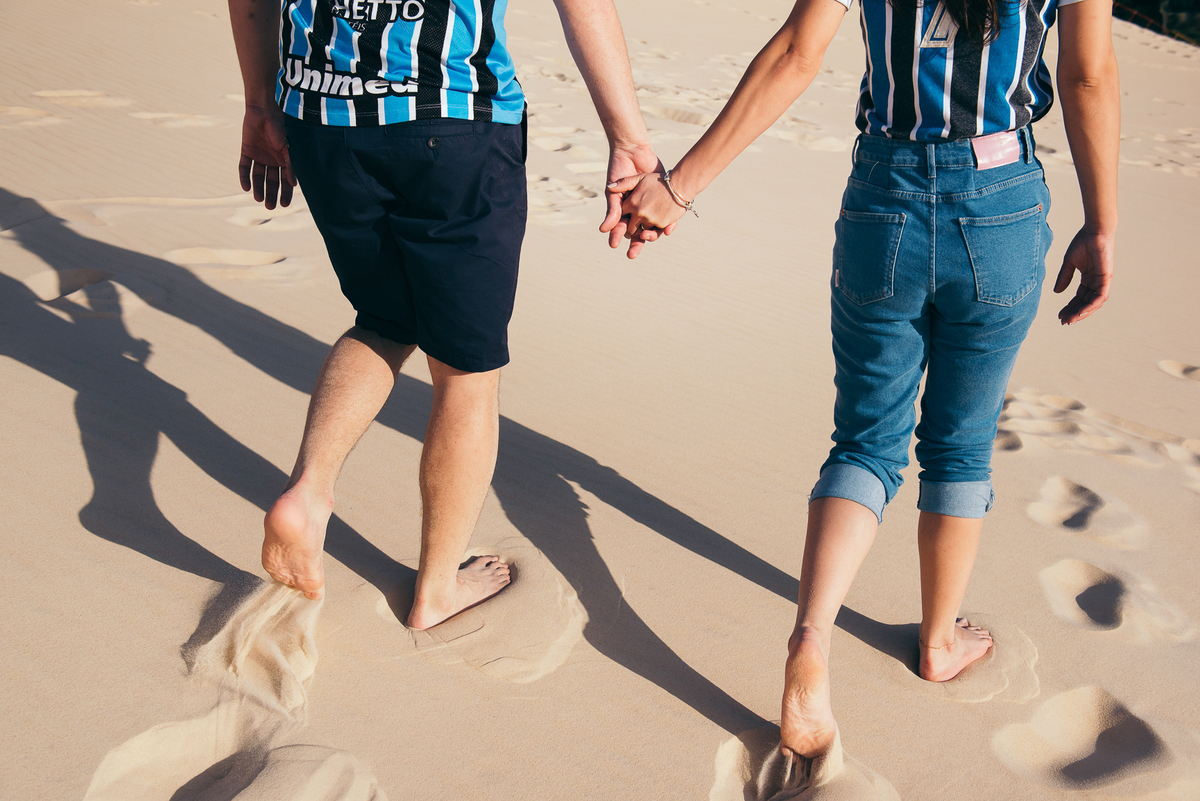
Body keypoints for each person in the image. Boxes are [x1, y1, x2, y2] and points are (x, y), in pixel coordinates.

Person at [615, 0, 1118, 759]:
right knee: (960, 443)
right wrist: (1102, 219)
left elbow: (795, 53)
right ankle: (939, 642)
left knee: (866, 442)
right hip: (1002, 198)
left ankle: (812, 635)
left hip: (886, 196)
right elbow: (1088, 74)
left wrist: (680, 188)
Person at [228, 0, 661, 628]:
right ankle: (436, 590)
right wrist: (628, 139)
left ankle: (309, 489)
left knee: (382, 317)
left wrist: (260, 105)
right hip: (453, 123)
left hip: (322, 117)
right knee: (466, 368)